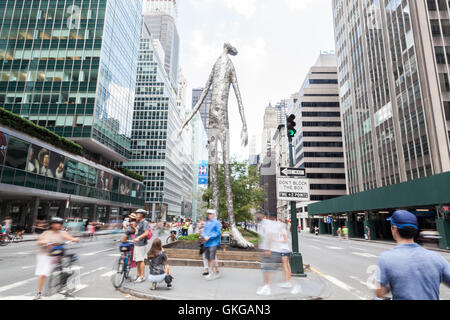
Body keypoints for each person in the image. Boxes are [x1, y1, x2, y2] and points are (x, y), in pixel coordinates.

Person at [375, 210, 450, 300]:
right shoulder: (437, 257)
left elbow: (379, 293)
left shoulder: (385, 258)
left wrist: (393, 282)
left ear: (394, 229)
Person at [34, 217, 79, 300]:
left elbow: (70, 238)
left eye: (60, 224)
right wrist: (46, 242)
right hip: (45, 255)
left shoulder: (62, 233)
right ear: (52, 224)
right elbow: (39, 242)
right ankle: (39, 293)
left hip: (57, 254)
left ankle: (63, 286)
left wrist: (75, 239)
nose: (58, 225)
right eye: (56, 223)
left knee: (67, 270)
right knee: (43, 274)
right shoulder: (46, 233)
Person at [200, 209, 222, 280]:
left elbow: (218, 232)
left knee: (212, 257)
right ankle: (213, 271)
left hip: (214, 242)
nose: (209, 215)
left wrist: (209, 237)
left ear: (213, 215)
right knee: (208, 258)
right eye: (208, 214)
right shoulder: (207, 223)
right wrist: (204, 236)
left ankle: (211, 273)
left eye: (210, 214)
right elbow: (203, 231)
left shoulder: (217, 223)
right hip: (207, 243)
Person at [133, 209, 149, 283]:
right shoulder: (139, 222)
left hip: (141, 244)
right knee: (137, 260)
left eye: (137, 214)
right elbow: (138, 231)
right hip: (137, 244)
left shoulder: (145, 222)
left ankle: (142, 276)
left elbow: (146, 233)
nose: (136, 215)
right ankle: (138, 275)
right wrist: (134, 227)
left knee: (140, 260)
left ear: (141, 215)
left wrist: (138, 238)